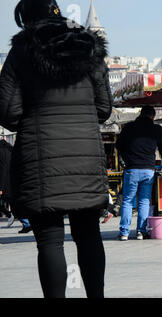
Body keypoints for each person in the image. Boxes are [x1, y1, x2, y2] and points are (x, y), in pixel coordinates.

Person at [0, 0, 112, 298]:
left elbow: (7, 112)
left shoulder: (22, 50)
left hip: (40, 162)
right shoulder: (89, 46)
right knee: (88, 235)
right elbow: (103, 108)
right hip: (86, 159)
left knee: (49, 241)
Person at [116, 106, 162, 241]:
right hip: (148, 170)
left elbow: (118, 146)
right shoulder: (156, 129)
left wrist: (126, 158)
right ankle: (141, 231)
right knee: (144, 201)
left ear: (141, 113)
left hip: (132, 169)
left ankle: (124, 233)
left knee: (128, 201)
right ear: (152, 116)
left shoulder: (128, 127)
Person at [0, 138, 31, 233]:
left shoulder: (1, 151)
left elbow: (2, 170)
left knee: (14, 204)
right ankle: (26, 223)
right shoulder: (10, 149)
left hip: (5, 182)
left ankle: (26, 223)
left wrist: (1, 187)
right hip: (14, 180)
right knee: (15, 203)